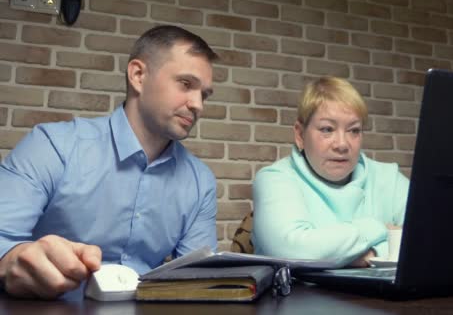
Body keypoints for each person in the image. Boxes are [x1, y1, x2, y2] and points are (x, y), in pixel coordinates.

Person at [0, 25, 219, 299]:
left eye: (205, 94)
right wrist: (11, 258)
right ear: (138, 76)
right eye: (186, 84)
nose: (198, 104)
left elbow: (197, 282)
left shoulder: (201, 181)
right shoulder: (52, 146)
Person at [252, 77, 409, 267]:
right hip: (301, 297)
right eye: (327, 129)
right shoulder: (275, 179)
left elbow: (430, 240)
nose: (342, 144)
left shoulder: (389, 178)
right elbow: (294, 252)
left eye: (353, 130)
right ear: (300, 135)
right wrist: (380, 229)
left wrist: (371, 254)